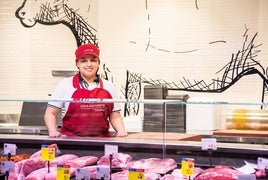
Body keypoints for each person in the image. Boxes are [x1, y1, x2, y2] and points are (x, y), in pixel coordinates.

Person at [44, 43, 128, 138]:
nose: (89, 64)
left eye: (93, 60)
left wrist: (121, 130)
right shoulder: (65, 84)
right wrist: (53, 131)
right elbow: (50, 112)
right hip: (71, 140)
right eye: (84, 61)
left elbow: (115, 115)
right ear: (77, 64)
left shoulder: (109, 86)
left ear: (98, 63)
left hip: (101, 141)